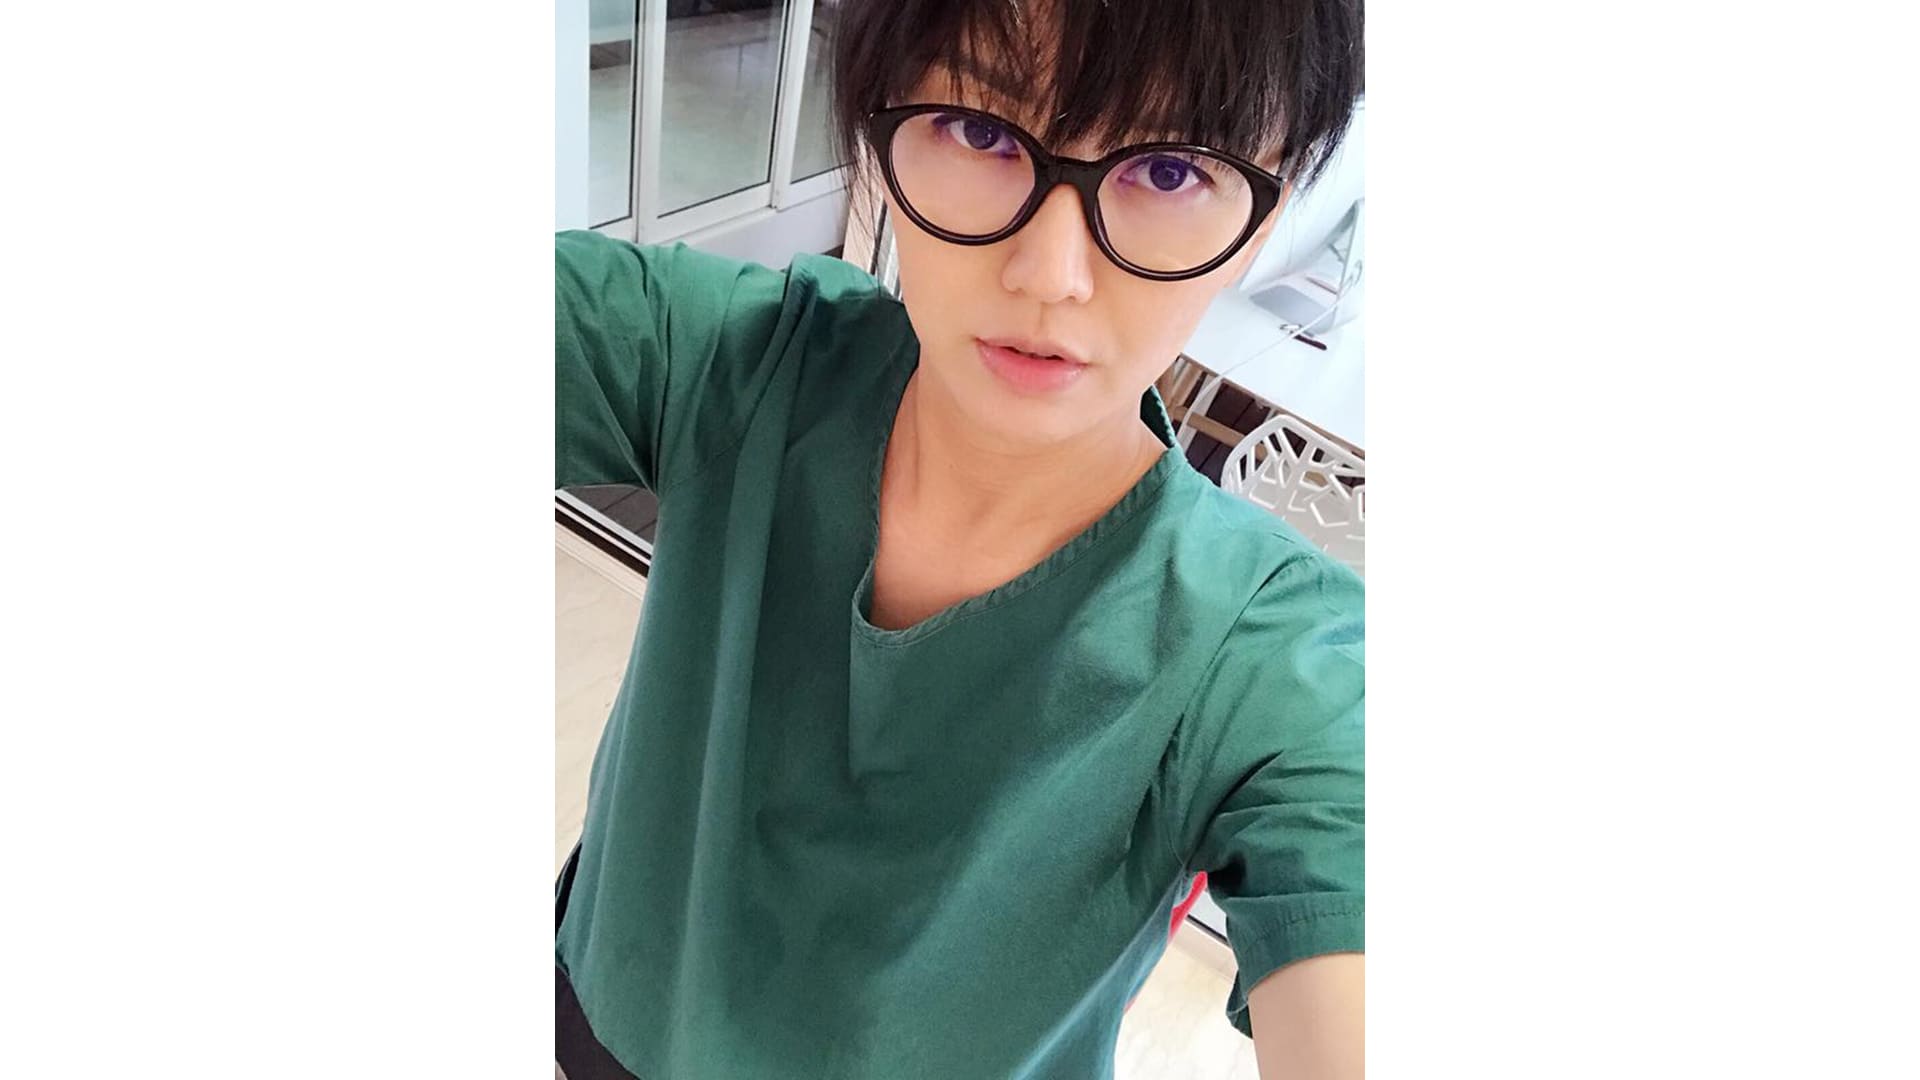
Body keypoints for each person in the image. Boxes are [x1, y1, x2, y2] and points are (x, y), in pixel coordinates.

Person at [554, 1, 1365, 1076]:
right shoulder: (730, 366)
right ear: (881, 129)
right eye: (982, 131)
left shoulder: (1273, 663)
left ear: (1258, 223)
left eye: (1169, 171)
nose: (1050, 273)